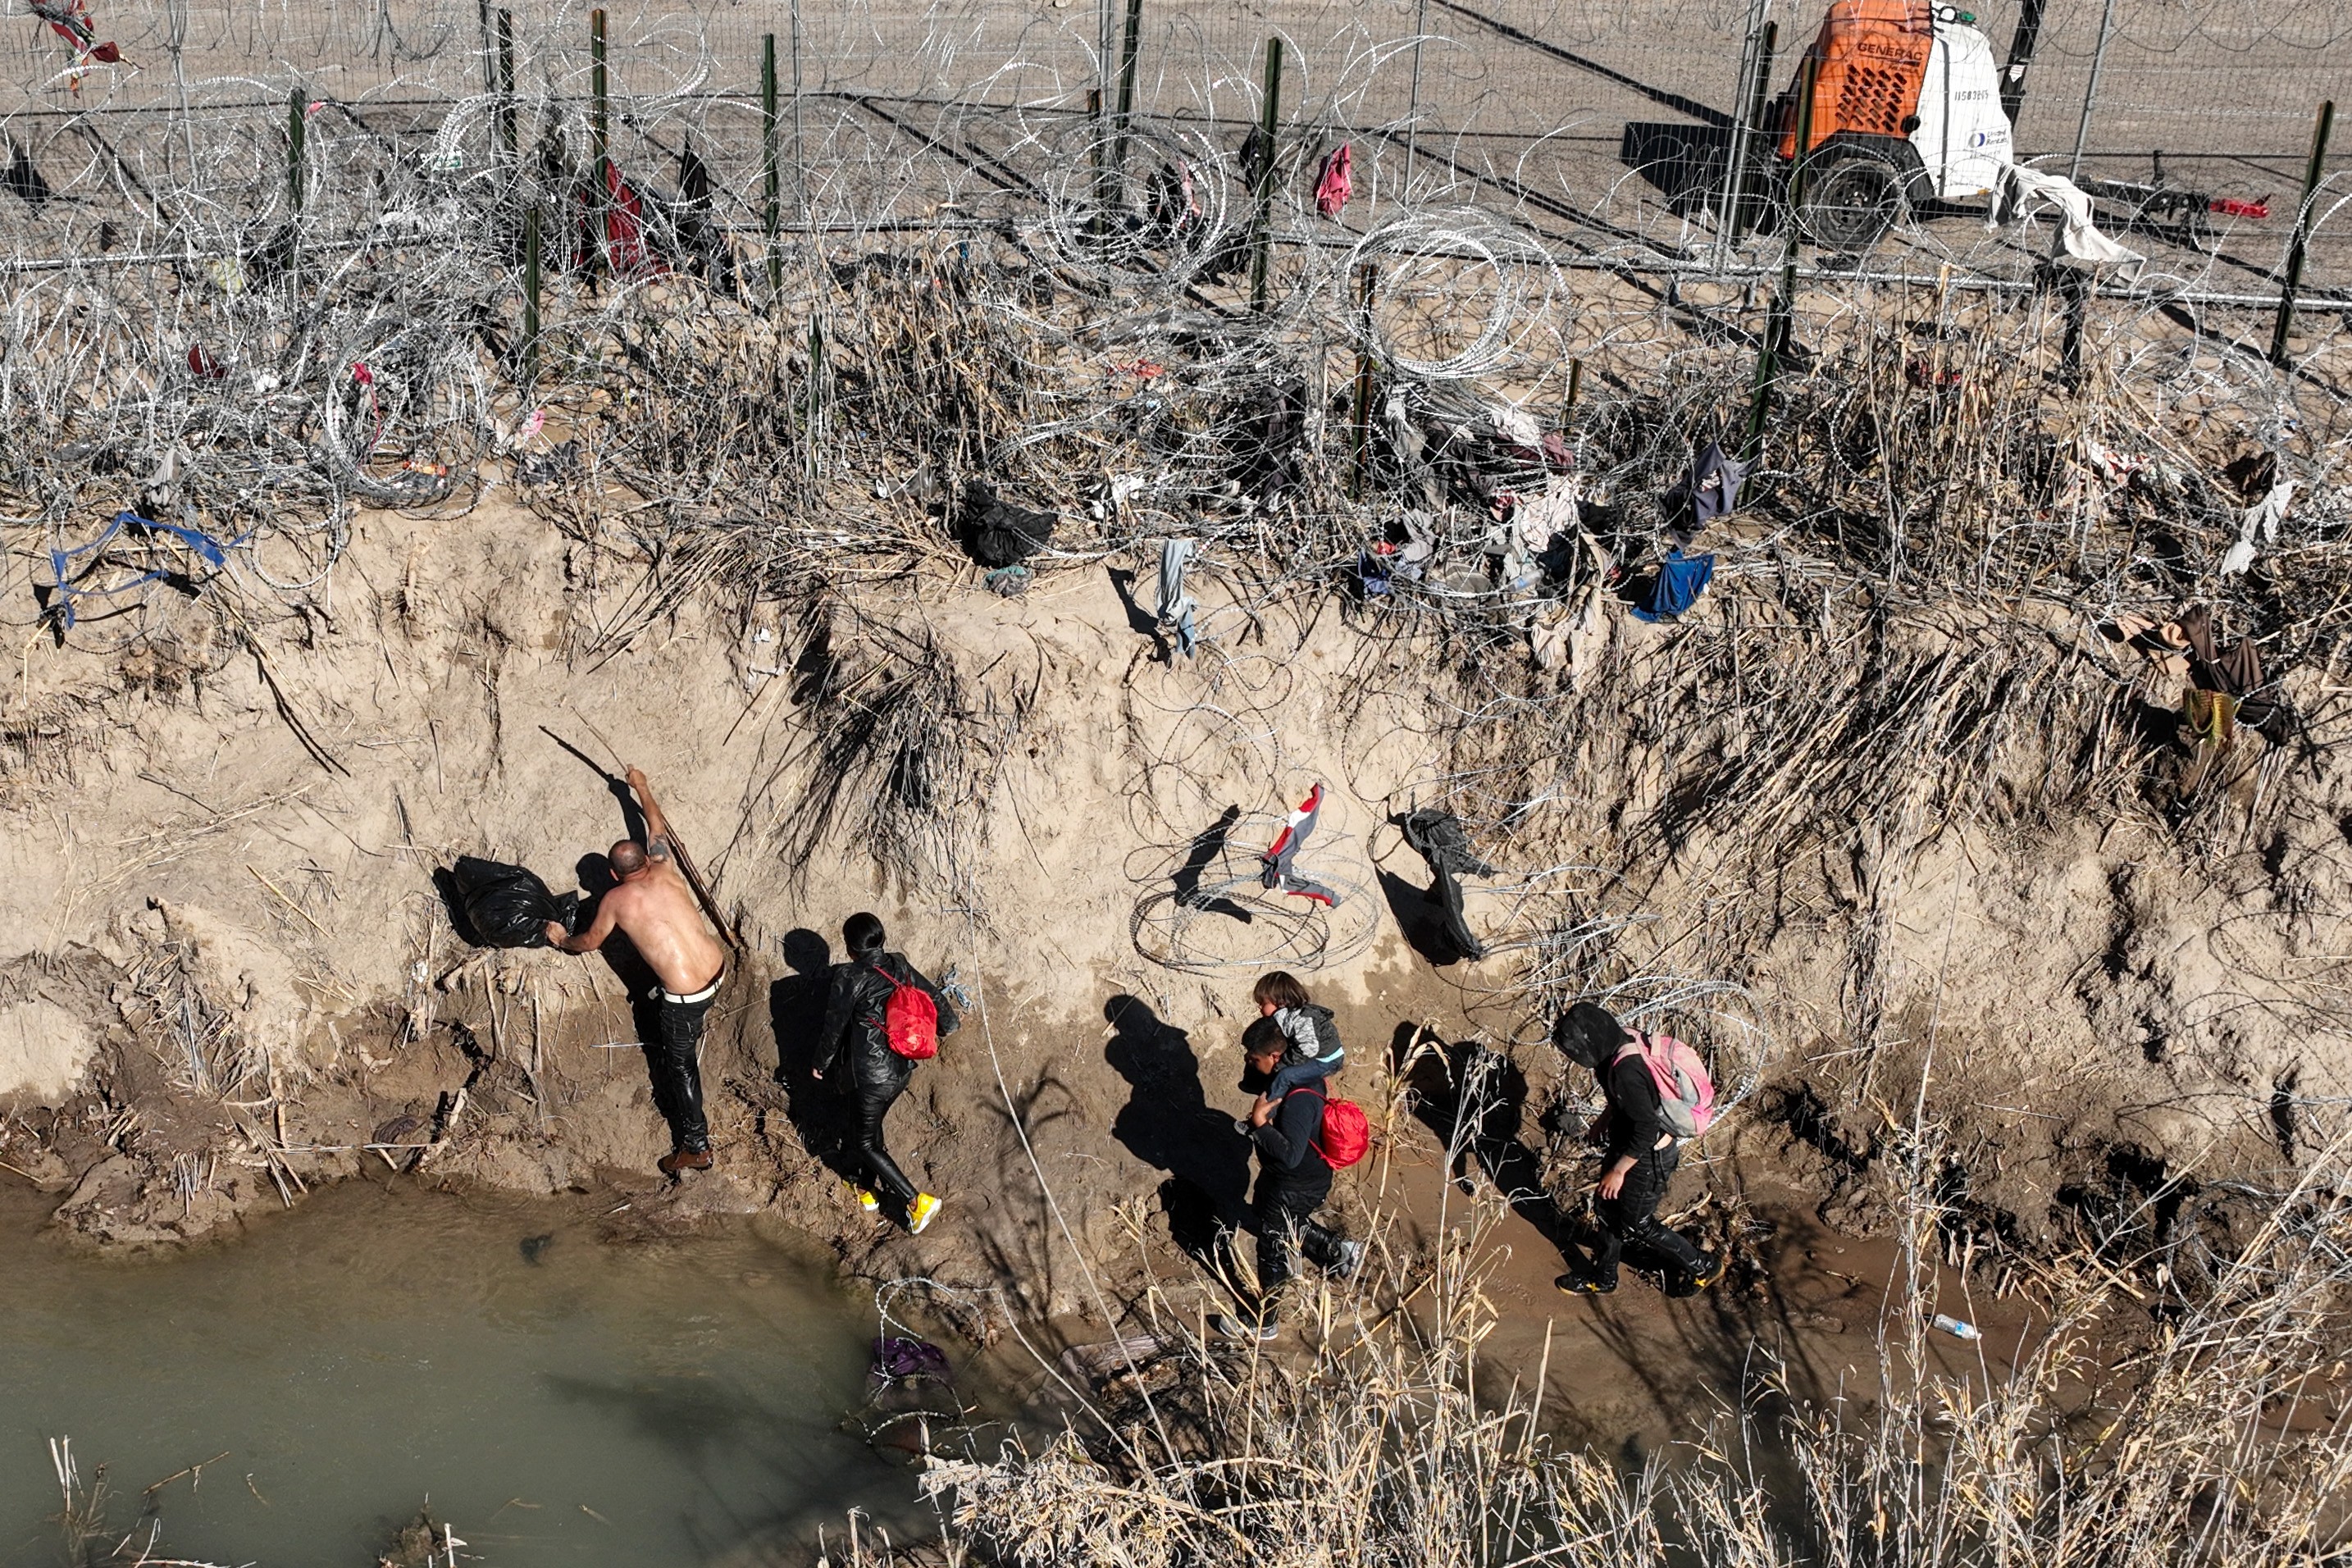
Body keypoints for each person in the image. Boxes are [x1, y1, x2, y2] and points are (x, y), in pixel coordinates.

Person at [545, 766, 729, 1177]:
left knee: (679, 1064)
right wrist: (639, 787)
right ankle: (695, 1021)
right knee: (668, 997)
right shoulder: (666, 867)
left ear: (613, 875)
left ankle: (696, 1147)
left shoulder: (614, 899)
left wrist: (560, 939)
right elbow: (656, 824)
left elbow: (589, 941)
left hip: (686, 998)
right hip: (718, 972)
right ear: (647, 859)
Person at [1551, 1001, 1723, 1297]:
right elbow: (1631, 1100)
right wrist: (1605, 1120)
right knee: (1606, 1208)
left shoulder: (1626, 1071)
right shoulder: (1621, 1040)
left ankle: (1702, 1265)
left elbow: (1645, 1128)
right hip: (1628, 1144)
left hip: (1647, 1156)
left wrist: (1619, 1170)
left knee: (1638, 1224)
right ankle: (1604, 1278)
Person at [1215, 1015, 1365, 1341]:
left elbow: (1290, 1154)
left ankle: (1265, 1322)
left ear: (1275, 1057)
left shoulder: (1298, 1099)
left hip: (1295, 1182)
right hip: (1296, 1179)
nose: (1249, 1064)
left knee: (1271, 1247)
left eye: (1253, 1059)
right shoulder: (1301, 1077)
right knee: (1283, 1222)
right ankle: (1340, 1251)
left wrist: (1259, 1123)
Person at [812, 912, 958, 1235]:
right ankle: (867, 1192)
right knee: (868, 1128)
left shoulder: (848, 977)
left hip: (870, 1076)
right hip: (901, 1068)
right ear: (881, 939)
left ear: (850, 948)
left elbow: (833, 1027)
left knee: (864, 1141)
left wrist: (821, 1063)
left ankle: (916, 1201)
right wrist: (948, 1024)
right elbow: (933, 995)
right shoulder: (900, 964)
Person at [1236, 971, 1344, 1132]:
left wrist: (1284, 1064)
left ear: (1280, 1002)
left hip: (1327, 1060)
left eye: (1263, 1003)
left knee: (1285, 1076)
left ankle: (1262, 1117)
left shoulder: (1302, 1019)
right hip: (1322, 1056)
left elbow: (1308, 1049)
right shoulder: (1289, 1016)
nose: (1259, 1007)